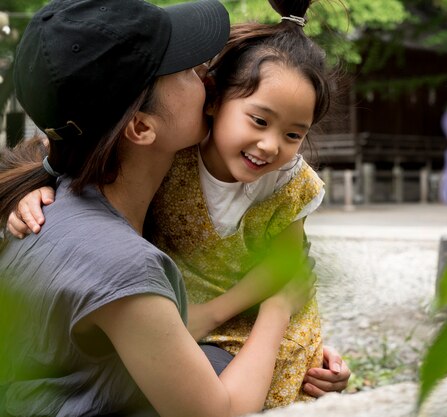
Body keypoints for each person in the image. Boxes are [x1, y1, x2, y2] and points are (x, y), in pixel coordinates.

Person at [6, 0, 352, 409]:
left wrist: (304, 347)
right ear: (140, 126)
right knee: (220, 367)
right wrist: (279, 306)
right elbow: (217, 411)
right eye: (188, 70)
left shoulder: (55, 201)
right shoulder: (121, 264)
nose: (209, 77)